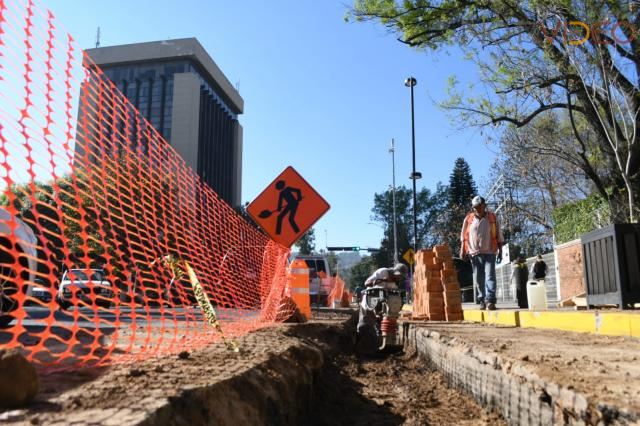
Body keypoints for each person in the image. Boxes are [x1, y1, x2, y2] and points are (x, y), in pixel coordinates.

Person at [459, 195, 504, 311]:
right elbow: (464, 236)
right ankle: (482, 299)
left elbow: (499, 234)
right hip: (475, 253)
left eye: (478, 206)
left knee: (490, 275)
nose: (476, 209)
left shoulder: (492, 217)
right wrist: (463, 251)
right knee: (478, 278)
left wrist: (501, 251)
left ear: (484, 205)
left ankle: (490, 300)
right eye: (474, 207)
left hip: (490, 251)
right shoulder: (469, 219)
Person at [356, 263, 408, 355]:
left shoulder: (395, 283)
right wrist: (381, 280)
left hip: (383, 308)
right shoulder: (383, 272)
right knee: (364, 326)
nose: (399, 278)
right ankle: (361, 349)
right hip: (370, 303)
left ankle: (379, 345)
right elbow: (366, 283)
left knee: (383, 327)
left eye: (401, 277)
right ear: (394, 272)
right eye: (399, 276)